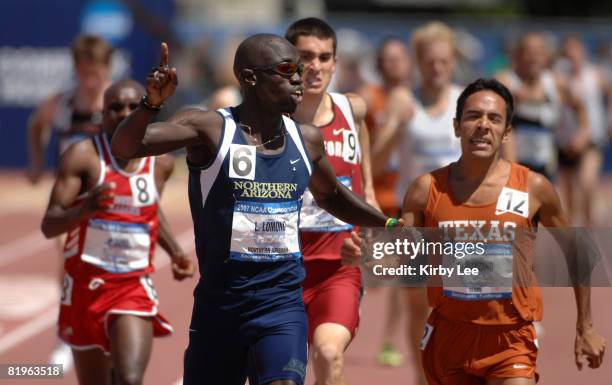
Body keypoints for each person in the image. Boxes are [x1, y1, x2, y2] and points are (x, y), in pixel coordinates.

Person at [110, 35, 395, 385]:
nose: (298, 79)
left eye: (300, 69)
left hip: (281, 303)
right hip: (221, 305)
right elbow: (126, 147)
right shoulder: (211, 129)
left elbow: (332, 196)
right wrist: (150, 104)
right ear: (249, 78)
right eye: (287, 69)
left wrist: (388, 223)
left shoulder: (306, 139)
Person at [341, 78, 606, 385]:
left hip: (511, 340)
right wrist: (366, 257)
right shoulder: (425, 190)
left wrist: (585, 325)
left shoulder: (534, 188)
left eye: (494, 119)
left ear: (507, 132)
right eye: (473, 116)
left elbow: (578, 250)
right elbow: (406, 264)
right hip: (448, 337)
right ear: (456, 126)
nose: (483, 125)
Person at [41, 79, 195, 385]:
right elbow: (50, 224)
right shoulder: (82, 157)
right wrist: (85, 209)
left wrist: (175, 250)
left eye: (132, 105)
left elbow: (150, 208)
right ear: (103, 113)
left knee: (130, 378)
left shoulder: (160, 163)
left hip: (131, 284)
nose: (125, 112)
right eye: (116, 107)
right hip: (85, 286)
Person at [284, 17, 377, 385]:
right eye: (306, 56)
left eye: (325, 57)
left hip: (339, 268)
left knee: (327, 352)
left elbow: (362, 137)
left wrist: (367, 188)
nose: (316, 66)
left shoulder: (352, 108)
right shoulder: (273, 120)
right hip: (281, 271)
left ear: (335, 63)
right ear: (289, 61)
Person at [368, 21, 463, 383]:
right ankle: (422, 377)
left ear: (452, 62)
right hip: (415, 221)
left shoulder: (465, 100)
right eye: (429, 62)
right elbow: (375, 163)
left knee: (462, 306)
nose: (436, 68)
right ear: (418, 63)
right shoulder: (402, 99)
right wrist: (394, 126)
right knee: (417, 307)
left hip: (459, 218)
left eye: (443, 61)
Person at [27, 34, 114, 369]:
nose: (90, 81)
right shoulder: (62, 103)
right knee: (69, 265)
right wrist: (35, 163)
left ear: (107, 69)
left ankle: (107, 330)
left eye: (96, 73)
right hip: (68, 199)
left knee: (106, 268)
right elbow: (36, 123)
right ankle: (65, 337)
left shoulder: (116, 103)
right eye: (84, 73)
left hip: (107, 198)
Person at [357, 35, 413, 368]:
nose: (395, 65)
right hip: (374, 197)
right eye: (388, 59)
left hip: (406, 197)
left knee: (404, 276)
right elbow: (364, 150)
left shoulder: (417, 99)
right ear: (379, 65)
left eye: (400, 58)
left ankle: (390, 340)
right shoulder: (368, 98)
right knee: (376, 273)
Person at [496, 32, 589, 180]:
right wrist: (510, 101)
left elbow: (580, 108)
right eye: (528, 53)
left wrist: (581, 134)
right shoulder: (505, 81)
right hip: (512, 166)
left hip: (545, 165)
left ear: (546, 57)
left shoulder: (556, 83)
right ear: (517, 56)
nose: (533, 58)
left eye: (538, 53)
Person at [555, 36, 611, 225]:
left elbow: (609, 93)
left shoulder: (594, 74)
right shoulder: (560, 78)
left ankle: (590, 225)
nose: (572, 57)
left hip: (592, 137)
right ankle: (574, 237)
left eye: (575, 52)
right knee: (568, 194)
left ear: (583, 52)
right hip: (565, 140)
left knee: (587, 183)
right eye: (568, 53)